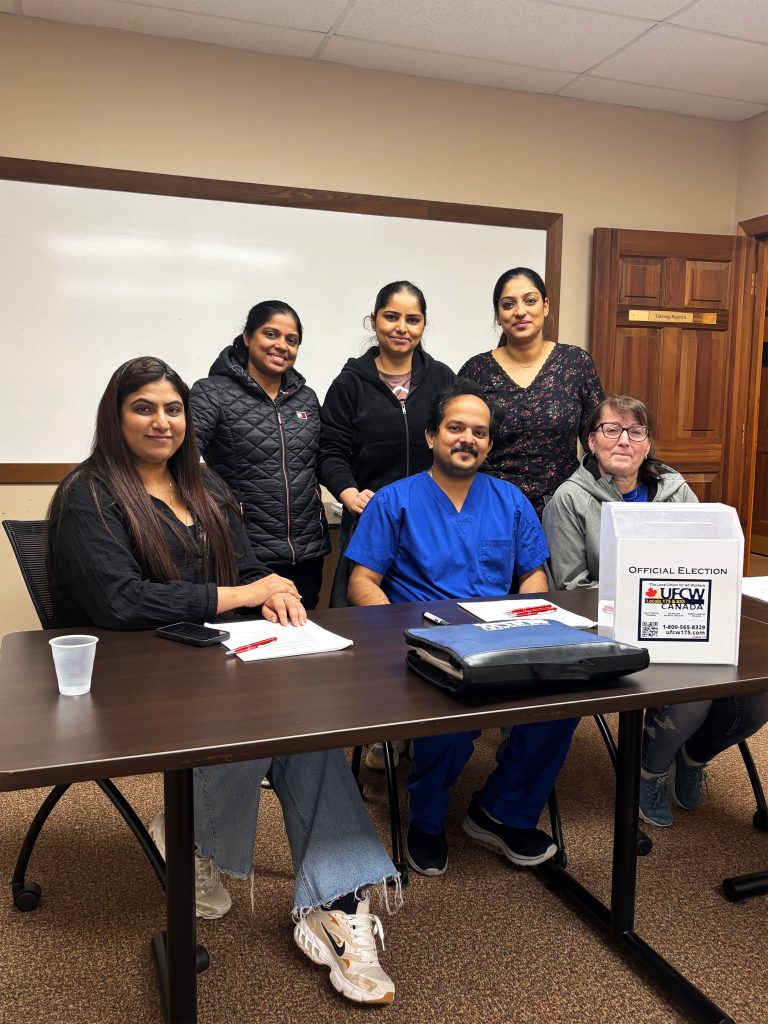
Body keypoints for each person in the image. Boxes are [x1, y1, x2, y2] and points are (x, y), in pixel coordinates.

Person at [48, 357, 400, 1005]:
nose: (162, 421)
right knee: (276, 718)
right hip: (134, 680)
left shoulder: (203, 485)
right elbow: (120, 603)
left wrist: (275, 593)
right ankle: (196, 835)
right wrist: (240, 593)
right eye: (144, 407)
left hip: (217, 659)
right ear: (115, 415)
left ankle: (336, 904)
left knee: (310, 722)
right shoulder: (88, 494)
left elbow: (252, 563)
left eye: (173, 408)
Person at [345, 379, 579, 876]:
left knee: (559, 709)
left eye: (479, 431)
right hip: (426, 649)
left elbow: (532, 573)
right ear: (431, 436)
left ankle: (499, 811)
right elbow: (362, 582)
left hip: (499, 642)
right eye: (456, 428)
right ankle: (427, 823)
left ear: (490, 444)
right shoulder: (395, 500)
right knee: (449, 725)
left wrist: (530, 617)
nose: (467, 439)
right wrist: (393, 634)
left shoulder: (511, 500)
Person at [543, 394, 768, 827]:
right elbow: (571, 589)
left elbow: (705, 560)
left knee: (757, 695)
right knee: (694, 695)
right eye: (612, 429)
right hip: (615, 628)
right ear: (592, 441)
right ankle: (650, 770)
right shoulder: (569, 499)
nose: (623, 440)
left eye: (636, 431)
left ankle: (694, 755)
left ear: (648, 443)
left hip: (685, 615)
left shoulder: (673, 487)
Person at [320, 280, 454, 769]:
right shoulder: (349, 383)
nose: (401, 327)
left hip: (430, 522)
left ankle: (421, 723)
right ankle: (372, 725)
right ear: (374, 321)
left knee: (426, 615)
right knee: (368, 622)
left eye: (412, 319)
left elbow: (454, 440)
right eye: (391, 317)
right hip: (371, 518)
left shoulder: (442, 377)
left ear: (423, 325)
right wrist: (348, 490)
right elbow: (330, 450)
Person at [190, 301, 330, 611]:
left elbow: (323, 459)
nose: (282, 345)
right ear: (247, 337)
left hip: (307, 552)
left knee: (304, 640)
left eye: (291, 340)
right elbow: (182, 463)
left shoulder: (306, 398)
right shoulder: (211, 392)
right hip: (245, 555)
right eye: (271, 334)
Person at [458, 267, 604, 518]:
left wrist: (582, 491)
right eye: (508, 304)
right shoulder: (476, 370)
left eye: (530, 300)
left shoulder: (575, 362)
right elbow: (461, 440)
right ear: (498, 314)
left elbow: (599, 439)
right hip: (491, 509)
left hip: (564, 510)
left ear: (545, 306)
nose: (520, 311)